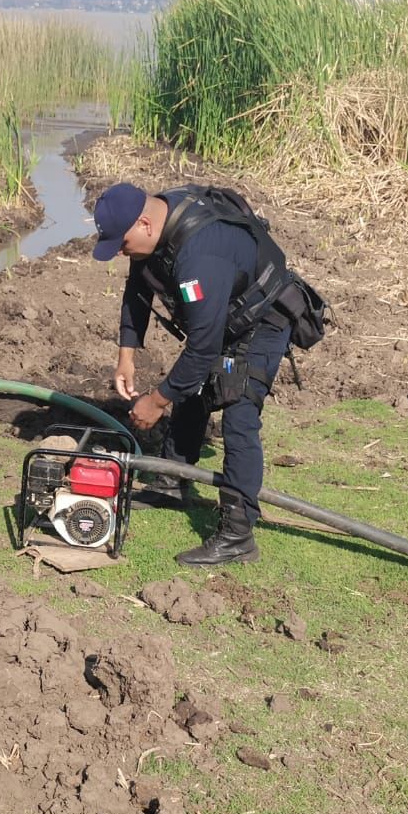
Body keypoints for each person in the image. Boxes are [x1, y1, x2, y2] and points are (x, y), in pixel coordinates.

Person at [91, 180, 311, 566]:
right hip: (223, 312)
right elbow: (137, 289)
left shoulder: (199, 256)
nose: (120, 252)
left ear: (143, 224)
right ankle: (172, 483)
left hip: (264, 320)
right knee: (193, 390)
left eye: (122, 243)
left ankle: (237, 535)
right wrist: (126, 355)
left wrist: (156, 402)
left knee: (239, 413)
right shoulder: (157, 226)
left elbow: (203, 349)